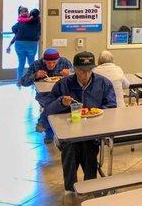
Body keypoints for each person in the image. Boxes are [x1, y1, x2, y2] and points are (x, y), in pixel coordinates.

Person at [41, 52, 116, 193]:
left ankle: (89, 185)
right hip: (68, 132)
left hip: (93, 132)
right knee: (71, 148)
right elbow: (48, 110)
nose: (86, 74)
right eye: (82, 70)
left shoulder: (103, 83)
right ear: (74, 69)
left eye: (89, 70)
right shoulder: (63, 84)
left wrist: (97, 113)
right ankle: (70, 189)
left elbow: (112, 107)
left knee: (89, 149)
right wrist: (61, 102)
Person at [20, 48, 73, 143]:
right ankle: (57, 134)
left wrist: (71, 73)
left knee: (56, 103)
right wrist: (35, 75)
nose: (51, 65)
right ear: (44, 60)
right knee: (56, 103)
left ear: (58, 60)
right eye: (48, 63)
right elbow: (23, 82)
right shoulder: (36, 64)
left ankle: (44, 124)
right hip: (44, 95)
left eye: (54, 62)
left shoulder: (64, 62)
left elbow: (76, 78)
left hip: (61, 93)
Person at [7, 7, 41, 82]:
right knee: (31, 63)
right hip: (32, 44)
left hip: (20, 44)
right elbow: (39, 33)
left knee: (21, 63)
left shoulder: (21, 21)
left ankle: (19, 80)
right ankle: (34, 79)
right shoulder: (37, 23)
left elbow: (13, 28)